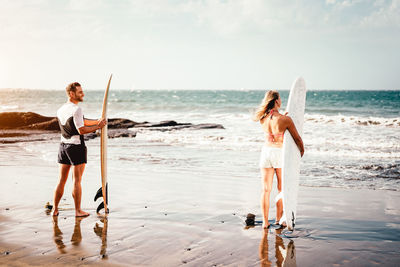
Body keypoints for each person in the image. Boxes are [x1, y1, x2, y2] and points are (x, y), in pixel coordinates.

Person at [53, 82, 106, 217]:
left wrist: (97, 121)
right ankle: (78, 211)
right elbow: (81, 130)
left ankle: (55, 209)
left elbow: (81, 121)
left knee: (61, 181)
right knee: (76, 181)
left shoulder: (61, 109)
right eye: (80, 92)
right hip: (76, 147)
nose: (83, 94)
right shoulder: (77, 109)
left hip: (63, 147)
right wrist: (98, 127)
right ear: (72, 94)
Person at [253, 90, 304, 229]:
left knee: (265, 189)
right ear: (276, 101)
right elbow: (297, 139)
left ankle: (265, 221)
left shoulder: (262, 118)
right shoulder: (285, 120)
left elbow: (273, 125)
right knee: (282, 188)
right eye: (280, 98)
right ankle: (278, 219)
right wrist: (301, 152)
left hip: (266, 152)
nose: (281, 101)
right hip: (280, 154)